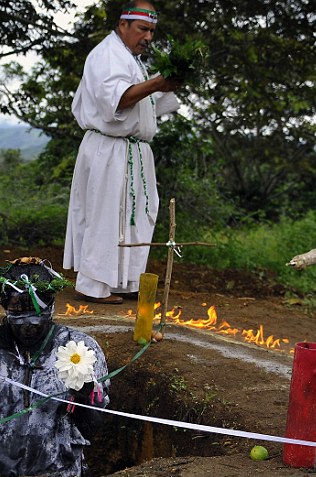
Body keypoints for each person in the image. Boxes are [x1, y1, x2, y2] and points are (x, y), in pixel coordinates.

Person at [0, 257, 110, 477]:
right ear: (5, 309)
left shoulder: (80, 351)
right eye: (19, 321)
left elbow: (91, 429)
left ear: (51, 308)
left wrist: (84, 398)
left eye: (37, 321)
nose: (28, 329)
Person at [64, 1, 181, 305]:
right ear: (123, 25)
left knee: (136, 218)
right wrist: (158, 81)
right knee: (104, 216)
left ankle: (124, 281)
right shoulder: (107, 55)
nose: (148, 37)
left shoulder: (131, 59)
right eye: (143, 29)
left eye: (152, 31)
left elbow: (149, 102)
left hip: (134, 152)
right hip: (109, 149)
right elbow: (119, 100)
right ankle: (92, 286)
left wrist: (164, 83)